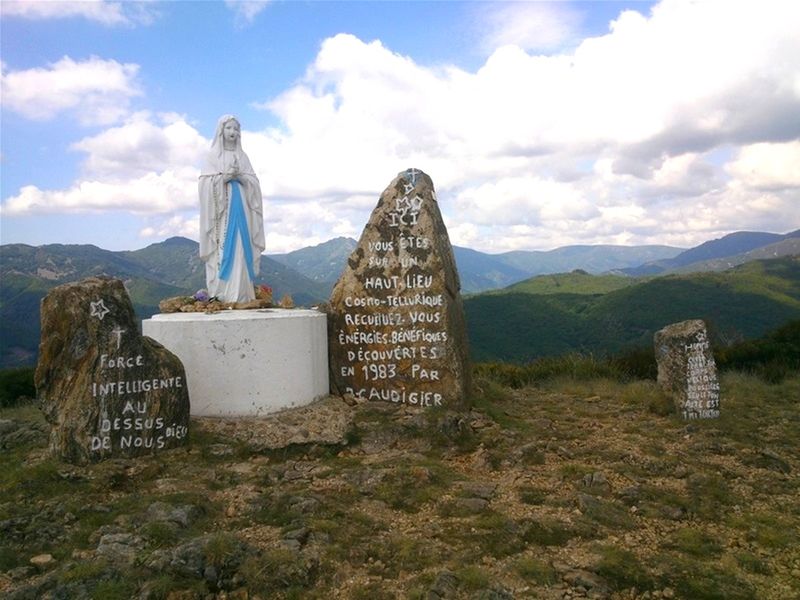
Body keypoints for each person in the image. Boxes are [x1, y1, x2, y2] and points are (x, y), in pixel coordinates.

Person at [198, 115, 265, 303]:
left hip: (242, 207)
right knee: (223, 246)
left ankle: (242, 293)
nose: (233, 132)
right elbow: (204, 184)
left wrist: (240, 177)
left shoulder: (243, 157)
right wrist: (225, 177)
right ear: (221, 130)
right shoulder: (213, 156)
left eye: (236, 128)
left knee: (241, 246)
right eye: (229, 128)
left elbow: (254, 182)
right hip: (222, 212)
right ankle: (222, 294)